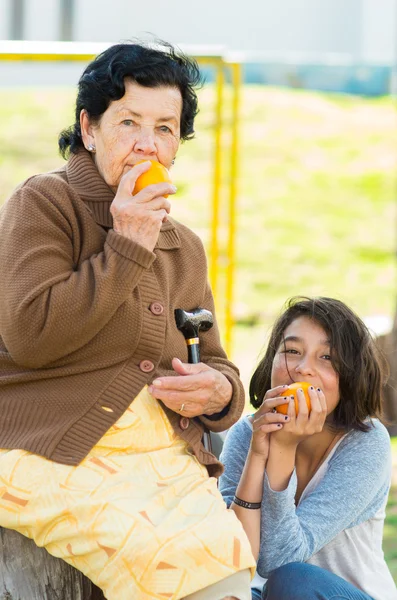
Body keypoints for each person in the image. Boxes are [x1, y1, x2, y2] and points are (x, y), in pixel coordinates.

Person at [0, 42, 255, 600]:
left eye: (166, 128)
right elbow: (31, 336)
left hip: (159, 458)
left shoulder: (183, 245)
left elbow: (216, 360)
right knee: (150, 554)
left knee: (226, 560)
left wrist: (218, 394)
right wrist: (126, 248)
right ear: (89, 128)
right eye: (129, 122)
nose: (148, 143)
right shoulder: (45, 202)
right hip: (52, 446)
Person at [219, 296, 397, 600]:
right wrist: (259, 453)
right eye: (291, 351)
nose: (303, 369)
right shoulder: (246, 435)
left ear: (349, 376)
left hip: (340, 593)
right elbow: (231, 558)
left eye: (326, 357)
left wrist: (284, 448)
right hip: (265, 594)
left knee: (292, 580)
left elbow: (281, 560)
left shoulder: (367, 443)